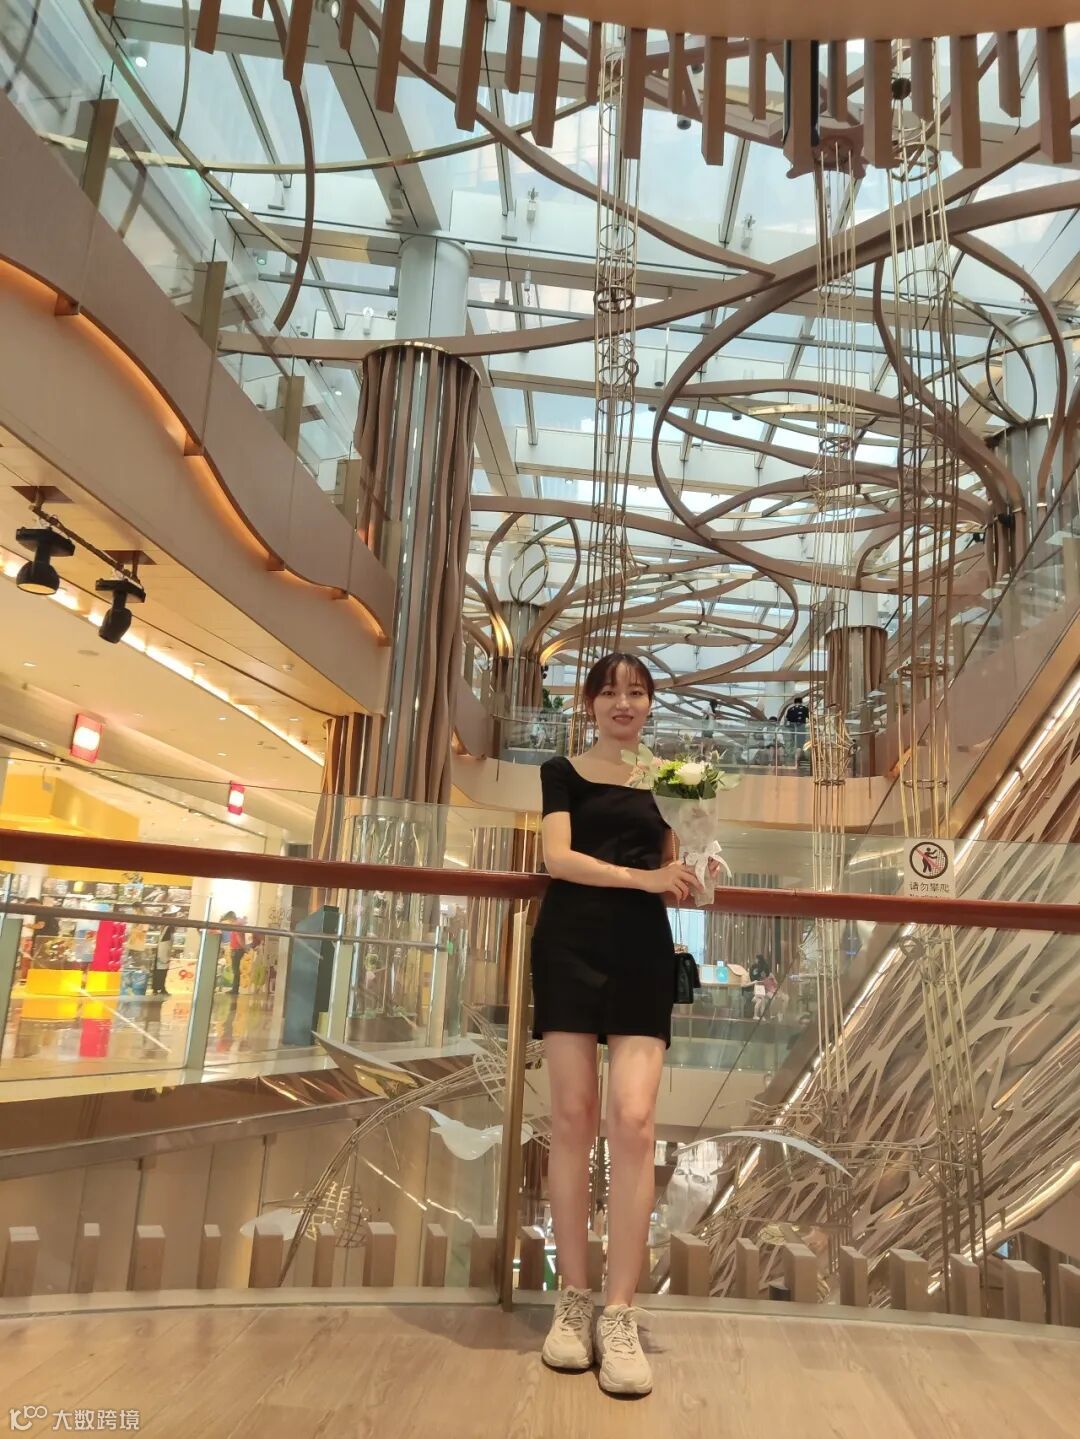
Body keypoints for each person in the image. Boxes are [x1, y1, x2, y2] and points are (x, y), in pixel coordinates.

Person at [531, 651, 701, 1398]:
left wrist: (698, 869)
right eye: (610, 691)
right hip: (568, 947)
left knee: (633, 1122)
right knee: (572, 1118)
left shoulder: (673, 781)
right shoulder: (561, 771)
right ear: (590, 703)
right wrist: (644, 878)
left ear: (650, 703)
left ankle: (621, 1310)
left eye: (636, 692)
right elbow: (558, 858)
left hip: (641, 954)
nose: (623, 703)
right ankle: (573, 1300)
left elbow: (677, 871)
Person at [221, 910, 245, 997]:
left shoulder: (236, 925)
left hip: (237, 949)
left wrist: (244, 947)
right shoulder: (238, 924)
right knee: (236, 969)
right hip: (237, 949)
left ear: (231, 919)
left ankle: (235, 989)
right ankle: (235, 989)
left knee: (235, 970)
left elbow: (239, 937)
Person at [151, 924, 174, 997]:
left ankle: (160, 988)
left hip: (162, 957)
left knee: (161, 973)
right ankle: (158, 989)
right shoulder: (167, 933)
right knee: (161, 974)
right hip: (162, 957)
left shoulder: (166, 934)